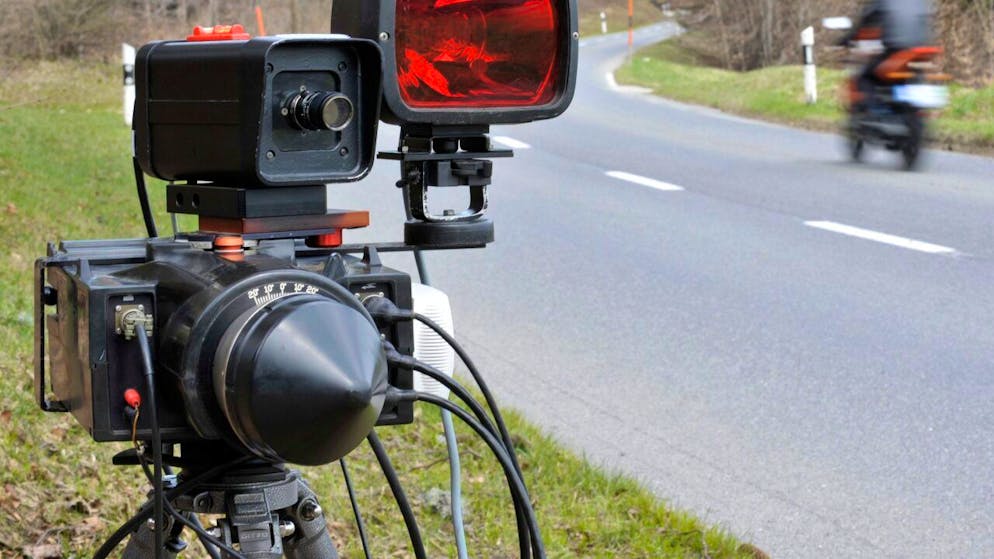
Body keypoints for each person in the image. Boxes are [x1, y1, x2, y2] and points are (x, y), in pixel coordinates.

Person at [841, 0, 935, 111]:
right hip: (918, 53)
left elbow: (867, 19)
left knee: (865, 77)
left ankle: (870, 111)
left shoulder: (883, 2)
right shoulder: (920, 2)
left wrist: (846, 39)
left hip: (894, 52)